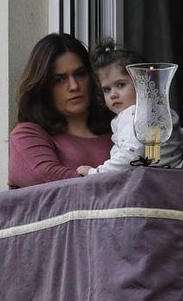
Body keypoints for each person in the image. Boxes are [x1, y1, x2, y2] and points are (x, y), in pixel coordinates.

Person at [8, 33, 114, 188]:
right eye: (59, 80)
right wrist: (118, 182)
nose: (74, 86)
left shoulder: (119, 129)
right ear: (43, 87)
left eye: (80, 74)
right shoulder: (27, 135)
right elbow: (48, 179)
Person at [80, 38, 183, 175]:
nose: (113, 94)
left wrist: (95, 172)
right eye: (107, 89)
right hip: (175, 182)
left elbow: (130, 156)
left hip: (149, 186)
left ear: (142, 83)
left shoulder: (132, 116)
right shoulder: (164, 112)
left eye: (120, 85)